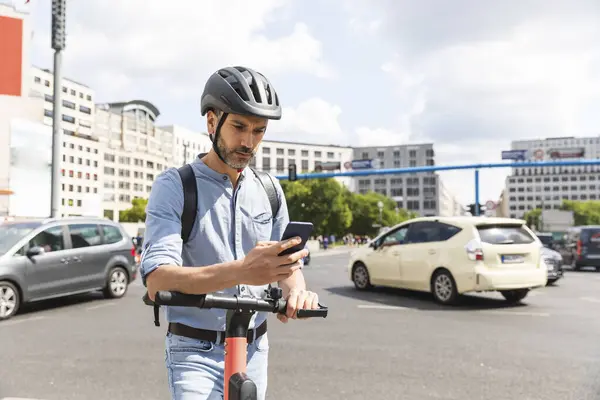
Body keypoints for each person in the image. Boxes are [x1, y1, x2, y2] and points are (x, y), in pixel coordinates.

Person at [140, 66, 320, 400]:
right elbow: (157, 280)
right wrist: (242, 271)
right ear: (212, 122)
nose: (248, 142)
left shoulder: (269, 189)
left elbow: (287, 265)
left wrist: (297, 291)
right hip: (194, 350)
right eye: (238, 126)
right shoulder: (176, 186)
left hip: (254, 348)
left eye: (259, 131)